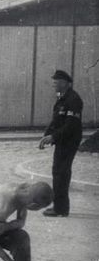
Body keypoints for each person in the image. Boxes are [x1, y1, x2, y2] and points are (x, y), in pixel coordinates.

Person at [38, 70, 83, 217]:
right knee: (58, 172)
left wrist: (53, 137)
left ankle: (61, 209)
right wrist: (47, 135)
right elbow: (56, 119)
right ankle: (60, 207)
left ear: (64, 83)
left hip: (69, 141)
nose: (53, 84)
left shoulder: (73, 99)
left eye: (56, 82)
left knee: (61, 173)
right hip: (62, 140)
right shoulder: (62, 97)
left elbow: (71, 126)